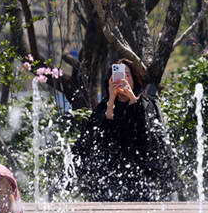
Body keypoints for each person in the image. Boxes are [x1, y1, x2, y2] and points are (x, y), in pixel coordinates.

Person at [73, 59, 182, 201]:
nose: (123, 80)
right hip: (109, 178)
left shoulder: (147, 104)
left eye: (127, 76)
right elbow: (97, 138)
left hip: (142, 177)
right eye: (119, 76)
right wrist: (111, 101)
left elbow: (150, 135)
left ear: (134, 79)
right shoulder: (102, 108)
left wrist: (132, 100)